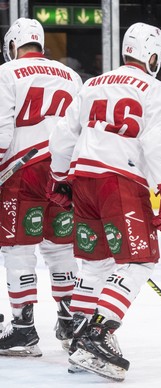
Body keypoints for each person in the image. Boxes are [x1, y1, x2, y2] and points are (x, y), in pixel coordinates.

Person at [48, 22, 161, 381]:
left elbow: (64, 134)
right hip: (121, 182)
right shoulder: (155, 89)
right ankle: (98, 333)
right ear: (153, 56)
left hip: (84, 180)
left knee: (95, 265)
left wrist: (61, 179)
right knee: (140, 260)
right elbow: (158, 143)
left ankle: (79, 339)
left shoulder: (92, 84)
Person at [0, 18, 82, 357]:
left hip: (23, 171)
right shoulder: (74, 77)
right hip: (63, 172)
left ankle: (22, 329)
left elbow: (2, 131)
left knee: (18, 248)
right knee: (59, 247)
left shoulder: (6, 74)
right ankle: (69, 318)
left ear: (12, 46)